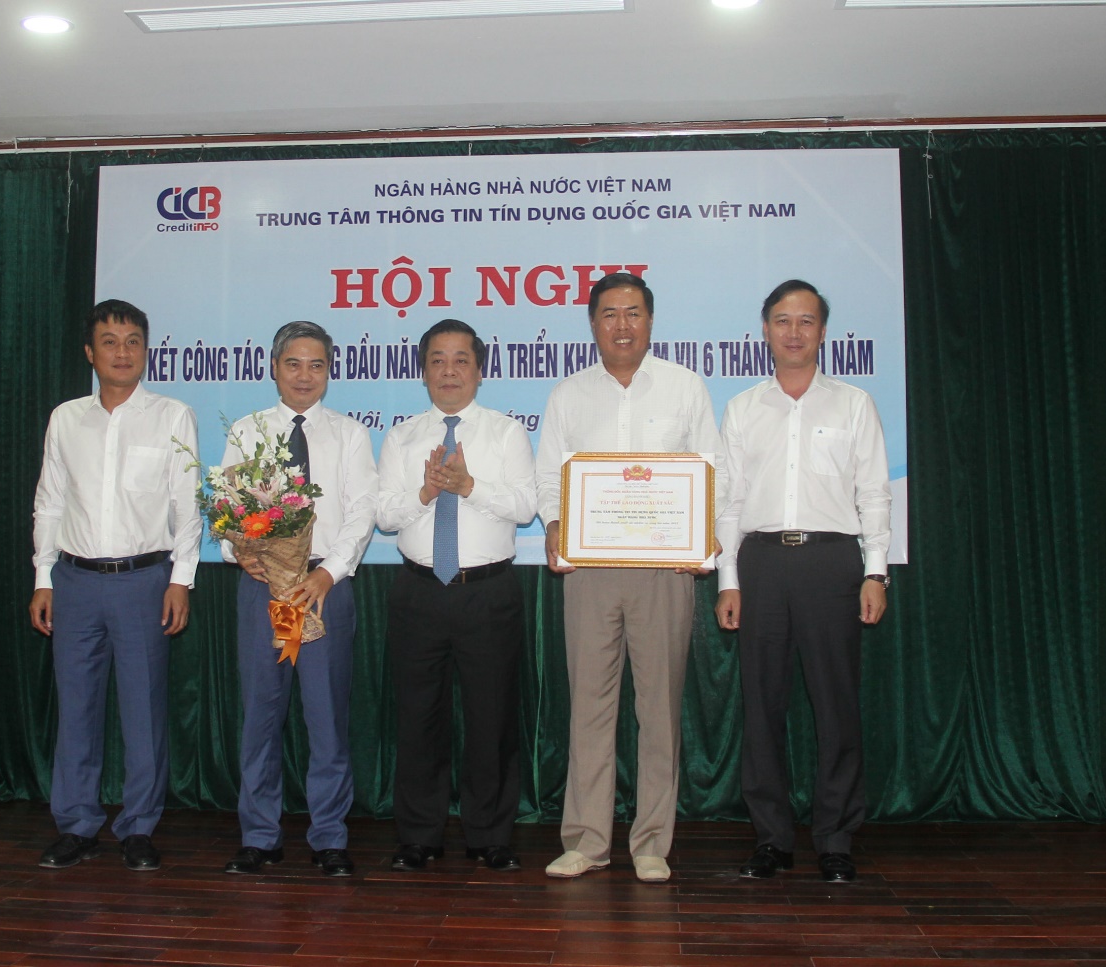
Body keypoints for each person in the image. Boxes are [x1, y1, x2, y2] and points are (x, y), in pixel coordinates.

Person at [535, 273, 725, 883]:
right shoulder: (569, 394)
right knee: (589, 706)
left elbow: (712, 468)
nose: (622, 325)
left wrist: (702, 532)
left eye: (634, 313)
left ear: (651, 322)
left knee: (659, 708)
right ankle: (586, 841)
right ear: (593, 324)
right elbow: (548, 475)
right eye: (610, 314)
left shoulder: (684, 386)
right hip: (590, 571)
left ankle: (651, 843)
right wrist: (555, 523)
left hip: (663, 571)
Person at [714, 279, 891, 884]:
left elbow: (874, 494)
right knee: (762, 705)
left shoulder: (853, 404)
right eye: (783, 320)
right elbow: (729, 503)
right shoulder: (743, 408)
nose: (794, 332)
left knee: (836, 706)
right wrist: (729, 580)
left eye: (806, 321)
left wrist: (875, 571)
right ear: (765, 329)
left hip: (832, 562)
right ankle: (772, 838)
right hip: (761, 563)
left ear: (823, 331)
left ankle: (836, 838)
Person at [29, 299, 201, 872]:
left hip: (144, 581)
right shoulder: (65, 418)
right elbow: (50, 501)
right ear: (90, 352)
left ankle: (139, 827)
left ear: (146, 351)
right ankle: (76, 825)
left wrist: (181, 579)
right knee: (76, 708)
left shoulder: (173, 415)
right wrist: (43, 577)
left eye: (132, 342)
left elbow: (187, 506)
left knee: (144, 710)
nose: (122, 353)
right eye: (109, 341)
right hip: (74, 581)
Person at [375, 320, 537, 873]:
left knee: (492, 717)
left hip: (487, 593)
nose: (449, 371)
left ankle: (490, 835)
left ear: (480, 370)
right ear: (423, 371)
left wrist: (468, 486)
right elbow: (385, 515)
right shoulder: (401, 437)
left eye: (461, 360)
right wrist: (426, 491)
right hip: (418, 593)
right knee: (418, 717)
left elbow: (525, 506)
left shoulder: (506, 433)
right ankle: (418, 835)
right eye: (438, 360)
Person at [220, 321, 377, 879]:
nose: (304, 376)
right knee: (261, 715)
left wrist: (328, 574)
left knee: (326, 717)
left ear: (330, 371)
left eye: (316, 365)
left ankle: (329, 837)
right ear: (273, 367)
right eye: (293, 364)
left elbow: (362, 511)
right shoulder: (248, 431)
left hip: (321, 590)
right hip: (264, 589)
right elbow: (229, 508)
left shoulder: (349, 434)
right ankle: (259, 836)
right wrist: (237, 550)